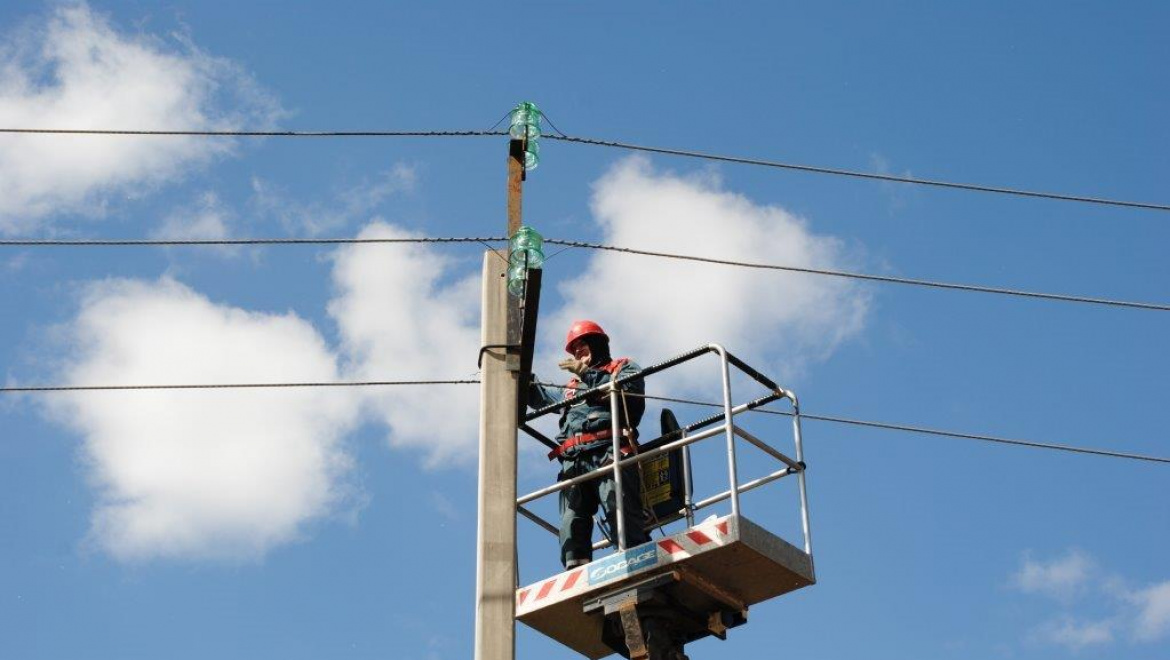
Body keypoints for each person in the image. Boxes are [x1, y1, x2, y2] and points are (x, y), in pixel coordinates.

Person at [529, 320, 651, 569]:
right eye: (573, 349)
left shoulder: (623, 368)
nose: (577, 352)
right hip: (575, 462)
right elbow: (541, 397)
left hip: (609, 451)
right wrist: (520, 375)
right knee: (571, 520)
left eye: (582, 345)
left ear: (597, 344)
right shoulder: (571, 390)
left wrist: (587, 373)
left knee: (619, 507)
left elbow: (628, 395)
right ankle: (576, 568)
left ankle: (633, 557)